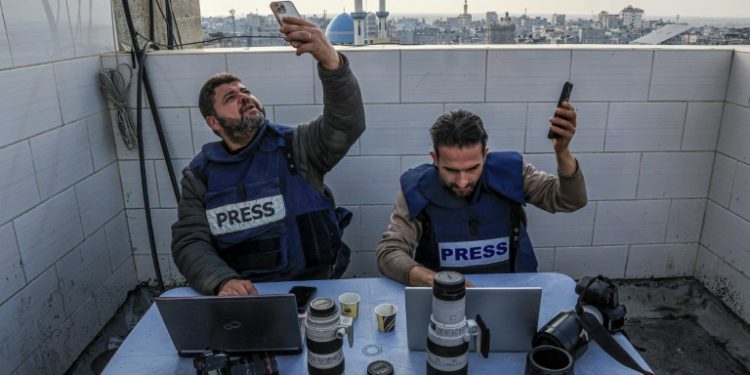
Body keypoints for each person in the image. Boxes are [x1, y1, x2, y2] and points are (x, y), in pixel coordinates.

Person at [171, 17, 365, 296]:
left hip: (316, 287)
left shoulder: (295, 146)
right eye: (231, 98)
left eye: (245, 92)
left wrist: (331, 62)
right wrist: (222, 280)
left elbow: (346, 125)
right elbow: (190, 240)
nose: (245, 98)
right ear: (213, 123)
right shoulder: (200, 176)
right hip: (248, 297)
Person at [377, 105, 587, 287]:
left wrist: (563, 152)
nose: (462, 181)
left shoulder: (512, 173)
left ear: (485, 155)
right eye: (450, 170)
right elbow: (390, 253)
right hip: (443, 300)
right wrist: (433, 281)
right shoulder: (416, 189)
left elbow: (570, 200)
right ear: (435, 159)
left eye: (472, 168)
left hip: (514, 290)